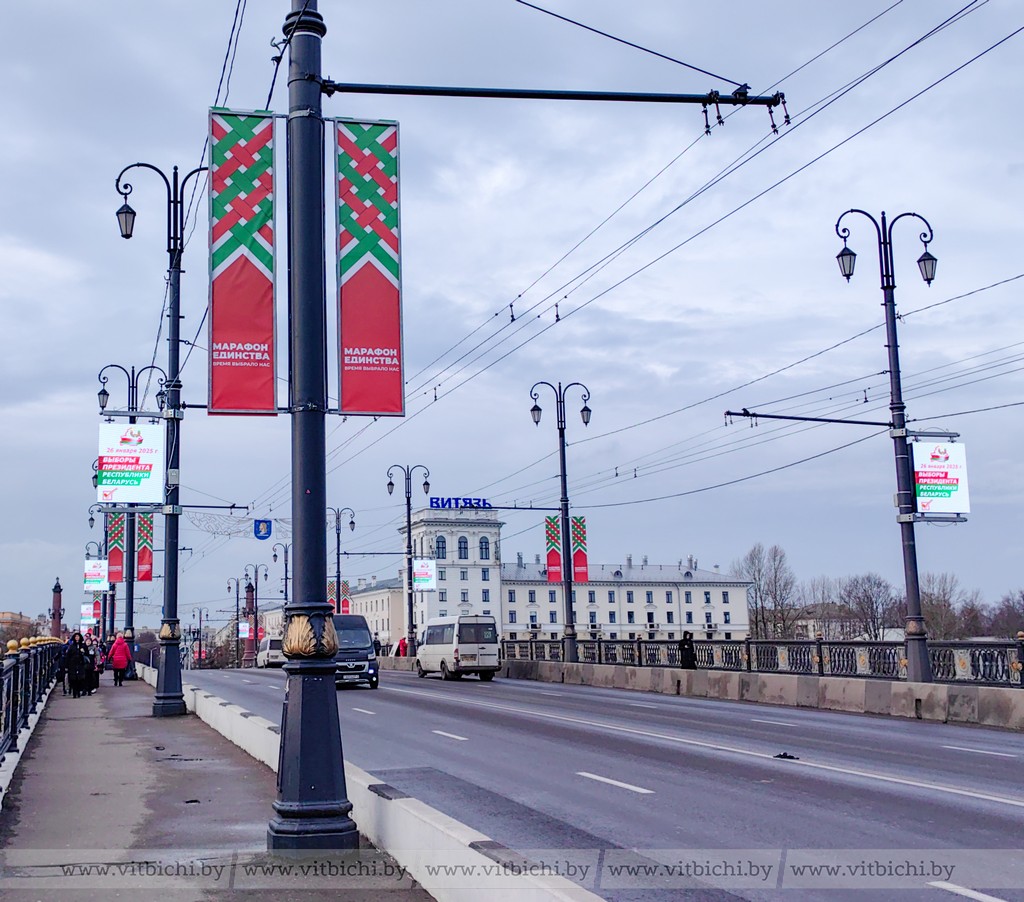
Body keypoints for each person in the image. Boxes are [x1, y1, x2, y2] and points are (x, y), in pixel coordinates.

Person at [65, 633, 88, 698]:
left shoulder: (83, 646)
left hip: (80, 663)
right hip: (72, 664)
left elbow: (87, 654)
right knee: (73, 679)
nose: (77, 638)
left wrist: (83, 652)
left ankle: (79, 691)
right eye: (76, 637)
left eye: (78, 636)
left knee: (80, 678)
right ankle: (74, 692)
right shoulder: (71, 646)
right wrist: (67, 665)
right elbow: (68, 655)